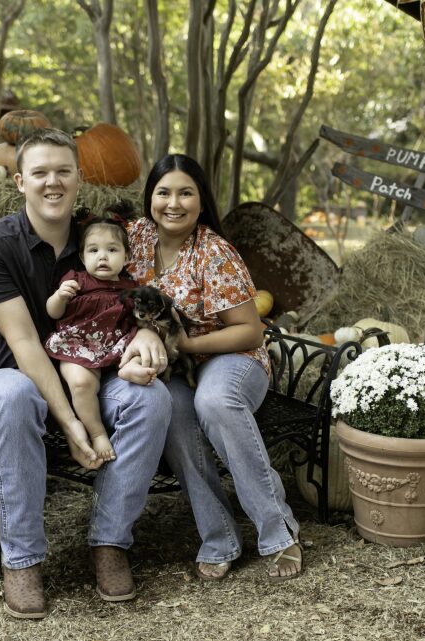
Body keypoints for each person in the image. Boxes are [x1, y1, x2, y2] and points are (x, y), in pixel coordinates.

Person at [0, 128, 171, 619]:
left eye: (63, 171)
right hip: (12, 370)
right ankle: (24, 559)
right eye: (39, 173)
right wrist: (73, 424)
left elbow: (143, 295)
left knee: (151, 399)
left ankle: (110, 541)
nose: (52, 182)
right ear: (19, 181)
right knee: (15, 398)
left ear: (80, 178)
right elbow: (23, 343)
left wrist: (149, 333)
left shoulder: (98, 241)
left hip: (91, 365)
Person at [120, 153, 303, 582]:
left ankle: (280, 532)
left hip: (231, 359)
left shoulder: (214, 251)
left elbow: (250, 332)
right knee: (173, 414)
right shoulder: (135, 238)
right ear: (150, 198)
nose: (173, 203)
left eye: (186, 192)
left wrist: (187, 343)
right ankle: (220, 536)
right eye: (163, 192)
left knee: (214, 400)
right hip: (175, 365)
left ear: (201, 201)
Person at [44, 217, 156, 463]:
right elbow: (54, 313)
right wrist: (60, 297)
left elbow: (142, 320)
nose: (102, 257)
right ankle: (97, 433)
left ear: (127, 257)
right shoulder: (76, 280)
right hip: (78, 346)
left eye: (112, 250)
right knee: (82, 385)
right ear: (83, 257)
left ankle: (129, 370)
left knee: (139, 350)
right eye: (94, 250)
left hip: (117, 347)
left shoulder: (131, 288)